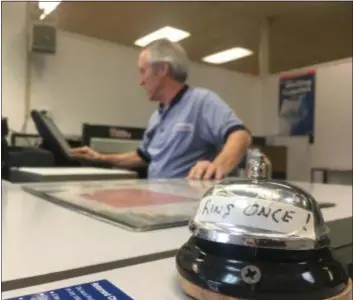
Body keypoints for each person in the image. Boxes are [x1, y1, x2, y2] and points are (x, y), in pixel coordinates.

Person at [70, 39, 252, 180]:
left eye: (143, 72)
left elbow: (240, 136)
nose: (140, 81)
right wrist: (100, 158)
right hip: (156, 201)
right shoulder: (156, 117)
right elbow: (143, 157)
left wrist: (217, 167)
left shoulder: (200, 101)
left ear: (162, 69)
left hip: (185, 204)